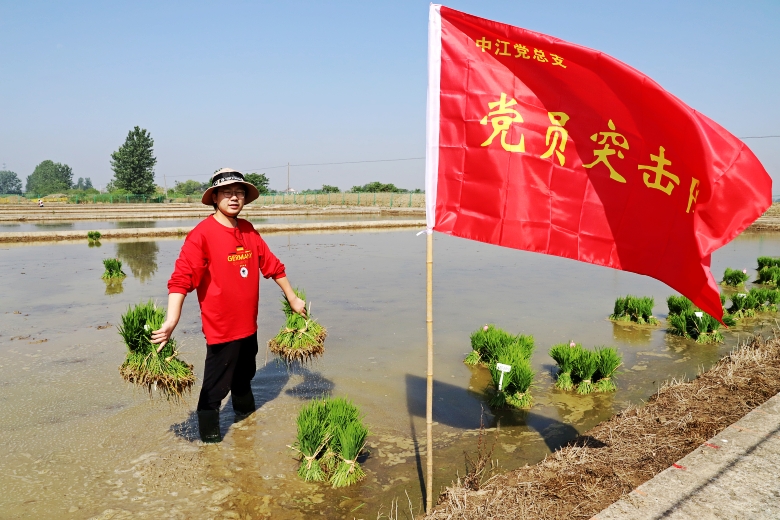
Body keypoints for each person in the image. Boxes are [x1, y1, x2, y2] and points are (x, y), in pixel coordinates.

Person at [151, 168, 306, 443]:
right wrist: (171, 320)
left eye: (239, 193)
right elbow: (181, 279)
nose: (234, 198)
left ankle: (247, 427)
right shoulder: (201, 235)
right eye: (227, 193)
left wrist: (292, 298)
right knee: (214, 389)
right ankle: (210, 444)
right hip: (222, 329)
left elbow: (272, 265)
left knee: (245, 377)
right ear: (214, 198)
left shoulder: (247, 229)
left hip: (248, 325)